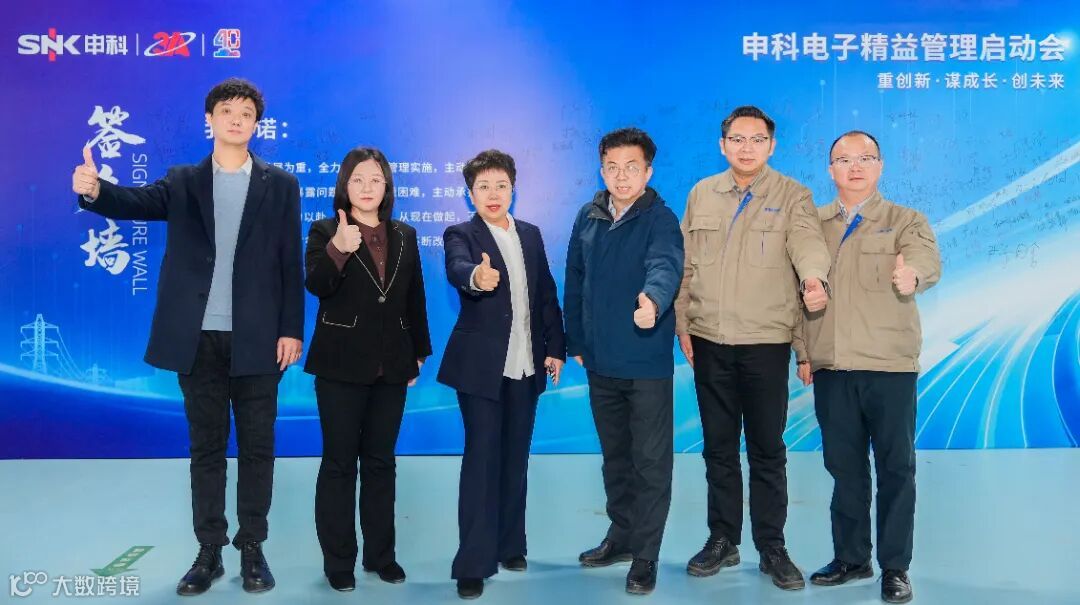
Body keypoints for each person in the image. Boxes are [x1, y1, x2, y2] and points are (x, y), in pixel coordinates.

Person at [70, 77, 303, 595]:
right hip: (197, 339)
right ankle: (209, 551)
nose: (236, 119)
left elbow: (290, 261)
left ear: (256, 125)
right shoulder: (183, 180)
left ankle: (253, 548)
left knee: (258, 449)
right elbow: (134, 202)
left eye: (246, 113)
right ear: (210, 120)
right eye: (227, 111)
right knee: (206, 449)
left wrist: (291, 329)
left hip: (258, 340)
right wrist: (95, 190)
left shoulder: (281, 185)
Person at [673, 105, 830, 591]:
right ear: (722, 145)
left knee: (767, 450)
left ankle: (772, 547)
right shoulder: (702, 194)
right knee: (718, 449)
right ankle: (722, 539)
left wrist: (814, 278)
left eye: (757, 140)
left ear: (771, 146)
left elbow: (808, 245)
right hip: (710, 341)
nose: (747, 148)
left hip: (766, 342)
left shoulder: (793, 195)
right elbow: (684, 266)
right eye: (737, 139)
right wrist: (682, 323)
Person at [795, 130, 940, 604]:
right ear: (830, 169)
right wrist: (803, 351)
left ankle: (895, 568)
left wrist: (912, 274)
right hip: (832, 365)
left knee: (896, 467)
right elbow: (796, 293)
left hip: (889, 365)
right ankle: (851, 558)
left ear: (880, 166)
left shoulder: (905, 220)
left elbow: (926, 259)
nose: (855, 166)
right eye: (844, 159)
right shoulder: (811, 225)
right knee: (844, 468)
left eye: (865, 158)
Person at [437, 149, 565, 600]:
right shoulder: (461, 233)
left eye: (501, 185)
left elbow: (545, 294)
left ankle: (511, 545)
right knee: (482, 460)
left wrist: (555, 348)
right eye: (483, 187)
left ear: (513, 188)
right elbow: (456, 268)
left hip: (526, 365)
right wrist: (476, 277)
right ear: (470, 193)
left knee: (515, 458)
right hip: (480, 369)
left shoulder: (529, 234)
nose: (493, 194)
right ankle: (473, 563)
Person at [303, 146, 432, 592]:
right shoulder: (325, 231)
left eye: (375, 179)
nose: (366, 187)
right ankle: (339, 561)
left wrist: (418, 351)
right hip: (339, 366)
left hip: (391, 365)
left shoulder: (405, 234)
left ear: (387, 186)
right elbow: (317, 284)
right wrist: (339, 250)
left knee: (380, 463)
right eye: (357, 179)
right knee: (339, 464)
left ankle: (381, 556)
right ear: (344, 185)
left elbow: (414, 296)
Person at [565, 128, 684, 595]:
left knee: (650, 462)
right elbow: (575, 279)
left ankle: (646, 555)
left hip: (645, 362)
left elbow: (666, 266)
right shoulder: (588, 216)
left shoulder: (661, 219)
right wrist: (576, 338)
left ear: (648, 172)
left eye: (631, 167)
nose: (621, 176)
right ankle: (621, 535)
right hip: (600, 362)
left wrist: (653, 300)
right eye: (612, 167)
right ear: (602, 170)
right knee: (615, 457)